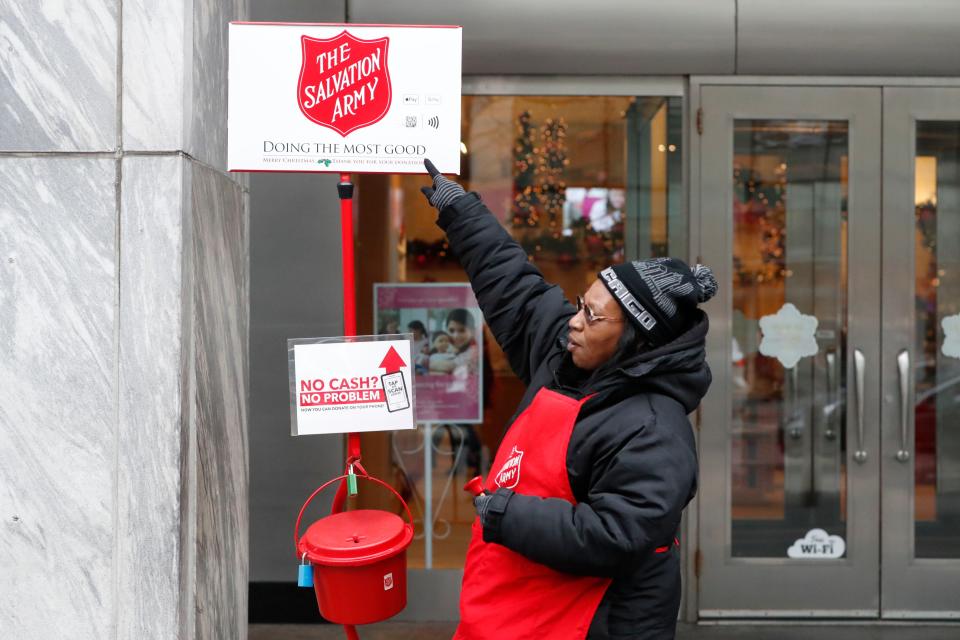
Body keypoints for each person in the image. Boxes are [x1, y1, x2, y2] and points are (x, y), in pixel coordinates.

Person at [420, 159, 717, 640]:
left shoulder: (655, 427)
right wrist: (459, 209)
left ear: (635, 340)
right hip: (517, 612)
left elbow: (617, 535)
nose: (575, 322)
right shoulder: (565, 356)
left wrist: (507, 514)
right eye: (581, 305)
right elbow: (515, 288)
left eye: (594, 317)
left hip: (597, 624)